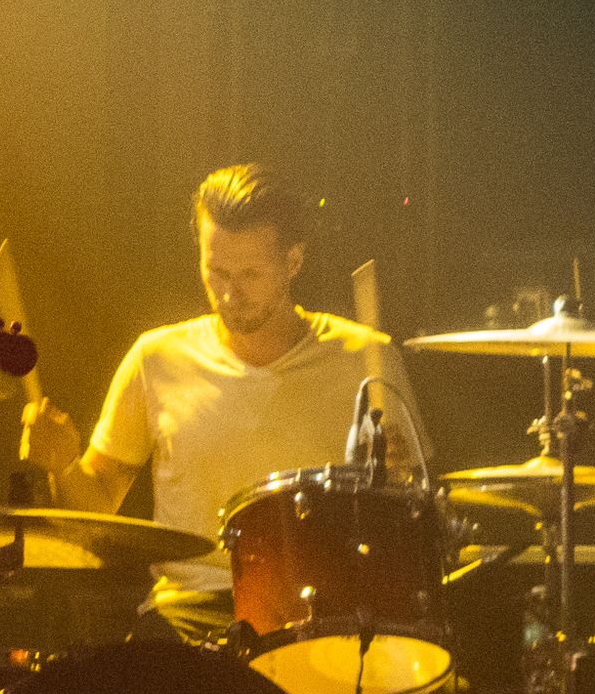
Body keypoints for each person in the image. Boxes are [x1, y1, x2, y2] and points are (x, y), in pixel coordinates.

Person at [22, 163, 430, 643]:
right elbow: (98, 503)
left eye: (251, 274)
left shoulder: (366, 358)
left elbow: (416, 514)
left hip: (324, 614)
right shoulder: (156, 359)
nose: (230, 293)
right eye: (216, 272)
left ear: (293, 262)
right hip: (190, 613)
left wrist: (404, 484)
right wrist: (63, 465)